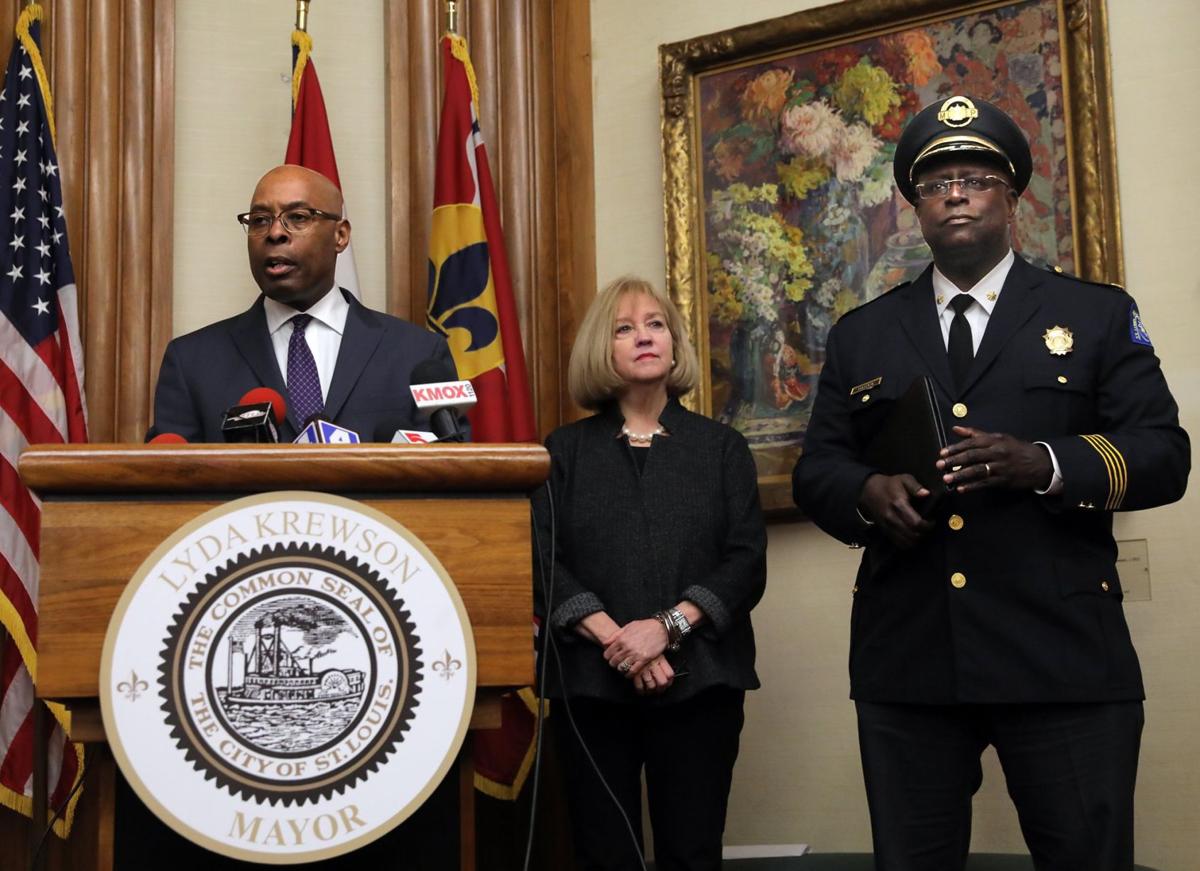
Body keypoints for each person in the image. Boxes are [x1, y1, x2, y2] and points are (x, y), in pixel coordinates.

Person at [793, 95, 1189, 871]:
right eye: (936, 182)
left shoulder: (1095, 314)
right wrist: (867, 495)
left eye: (975, 176)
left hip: (1063, 653)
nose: (956, 193)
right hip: (910, 655)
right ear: (915, 207)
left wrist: (1041, 462)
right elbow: (818, 469)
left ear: (1012, 197)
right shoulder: (863, 332)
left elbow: (1164, 454)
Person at [534, 276, 766, 871]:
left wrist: (665, 627)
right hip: (592, 685)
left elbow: (746, 561)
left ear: (674, 343)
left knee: (691, 853)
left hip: (703, 684)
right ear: (601, 349)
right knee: (603, 853)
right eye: (624, 327)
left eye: (656, 324)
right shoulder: (562, 451)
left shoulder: (721, 448)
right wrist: (620, 640)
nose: (644, 337)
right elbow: (542, 559)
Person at [146, 164, 456, 442]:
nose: (275, 233)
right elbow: (169, 489)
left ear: (340, 236)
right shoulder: (192, 362)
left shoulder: (417, 355)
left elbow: (451, 478)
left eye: (297, 217)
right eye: (259, 220)